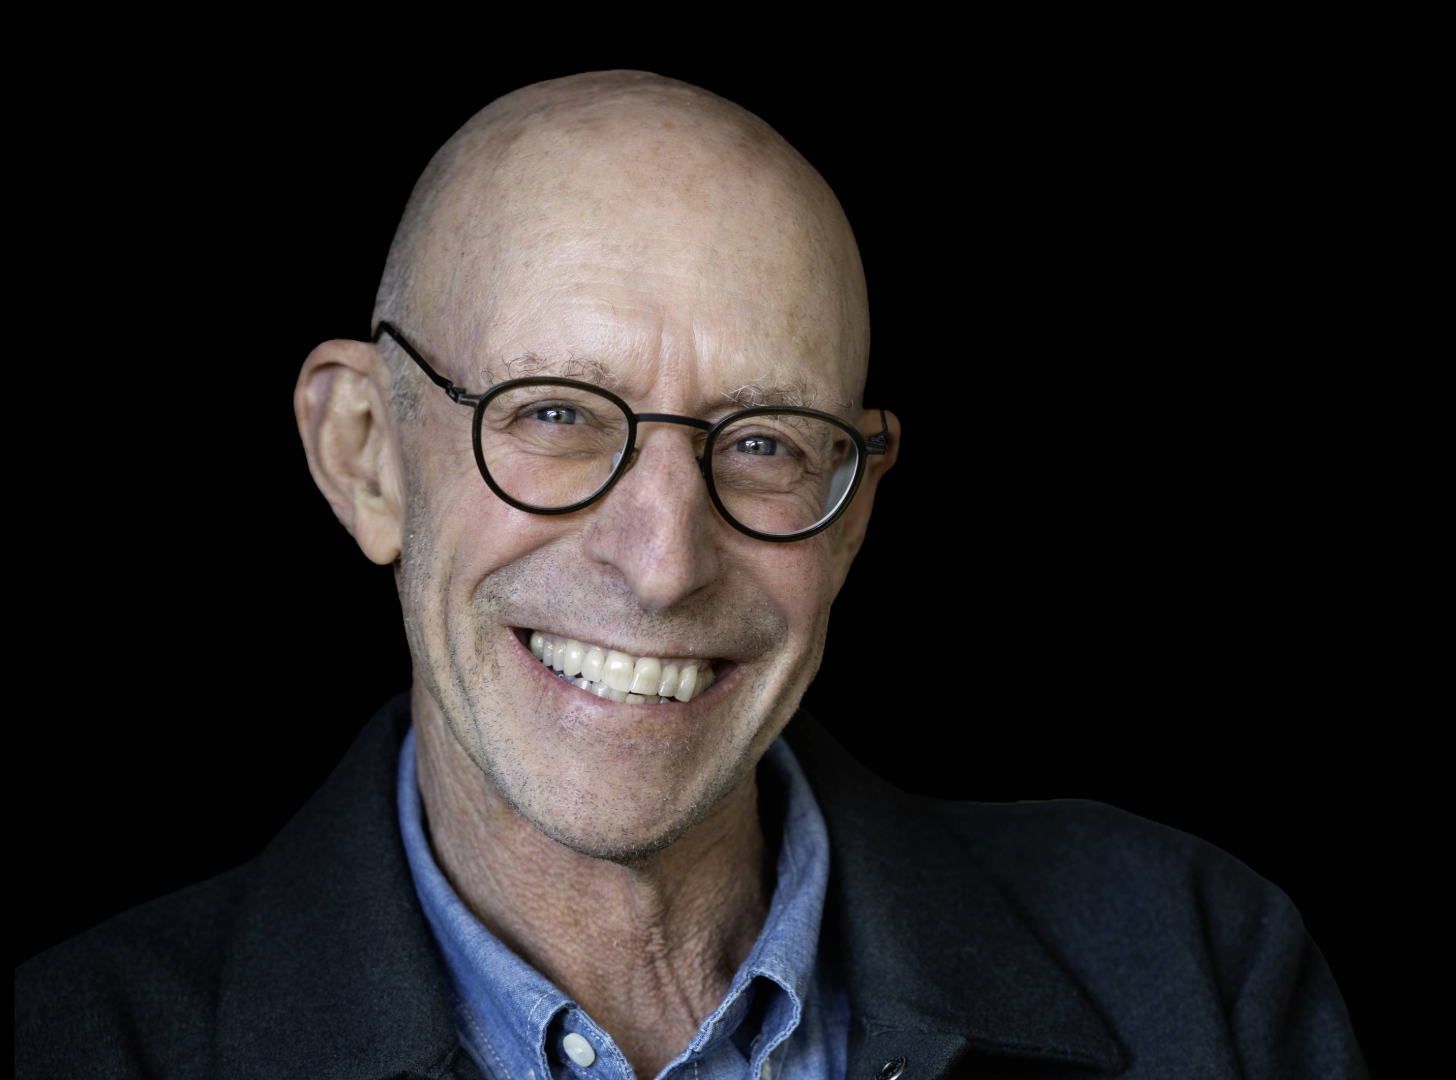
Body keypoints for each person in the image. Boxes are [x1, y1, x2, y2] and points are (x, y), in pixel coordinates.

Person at [14, 70, 1367, 1080]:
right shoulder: (71, 1044)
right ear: (365, 455)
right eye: (554, 414)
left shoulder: (1195, 970)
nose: (663, 563)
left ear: (854, 507)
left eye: (765, 442)